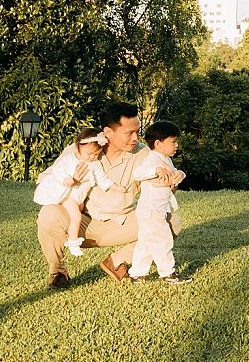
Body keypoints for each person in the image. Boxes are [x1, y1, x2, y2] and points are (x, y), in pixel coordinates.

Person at [36, 101, 183, 288]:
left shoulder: (145, 154)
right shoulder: (81, 150)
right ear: (108, 133)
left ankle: (116, 261)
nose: (135, 138)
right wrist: (69, 180)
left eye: (137, 131)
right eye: (129, 133)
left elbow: (166, 184)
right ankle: (58, 272)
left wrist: (170, 182)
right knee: (48, 214)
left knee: (172, 222)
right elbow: (43, 181)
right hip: (81, 223)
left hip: (123, 222)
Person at [32, 126, 115, 258]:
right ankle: (73, 242)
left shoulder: (95, 164)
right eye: (89, 154)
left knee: (74, 215)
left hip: (79, 199)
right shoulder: (69, 159)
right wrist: (67, 180)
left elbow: (102, 178)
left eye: (96, 155)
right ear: (78, 147)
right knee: (76, 217)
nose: (92, 157)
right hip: (70, 197)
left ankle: (66, 234)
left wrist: (113, 186)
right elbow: (58, 171)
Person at [130, 120, 192, 284]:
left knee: (146, 243)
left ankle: (136, 274)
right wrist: (155, 170)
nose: (176, 145)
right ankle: (168, 273)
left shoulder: (165, 158)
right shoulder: (152, 159)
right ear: (158, 143)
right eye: (173, 141)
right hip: (151, 210)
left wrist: (180, 174)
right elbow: (138, 173)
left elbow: (174, 175)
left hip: (156, 210)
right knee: (162, 240)